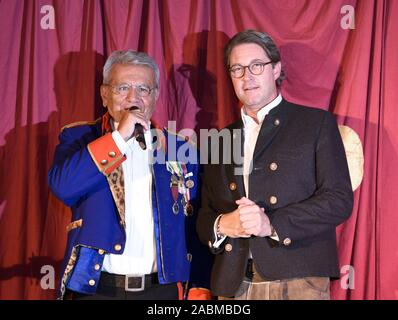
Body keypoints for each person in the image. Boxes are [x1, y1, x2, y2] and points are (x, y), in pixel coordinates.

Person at [196, 30, 354, 300]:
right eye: (237, 69)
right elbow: (205, 216)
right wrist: (223, 225)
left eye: (257, 66)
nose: (247, 76)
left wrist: (271, 224)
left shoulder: (315, 124)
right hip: (233, 286)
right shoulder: (219, 140)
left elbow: (339, 200)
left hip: (298, 282)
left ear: (276, 68)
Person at [48, 50, 212, 300]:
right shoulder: (79, 138)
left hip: (162, 291)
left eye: (143, 89)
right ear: (104, 95)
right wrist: (118, 138)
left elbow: (196, 222)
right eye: (122, 88)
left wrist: (201, 283)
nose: (133, 98)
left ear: (155, 96)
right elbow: (64, 187)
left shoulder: (181, 150)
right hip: (98, 289)